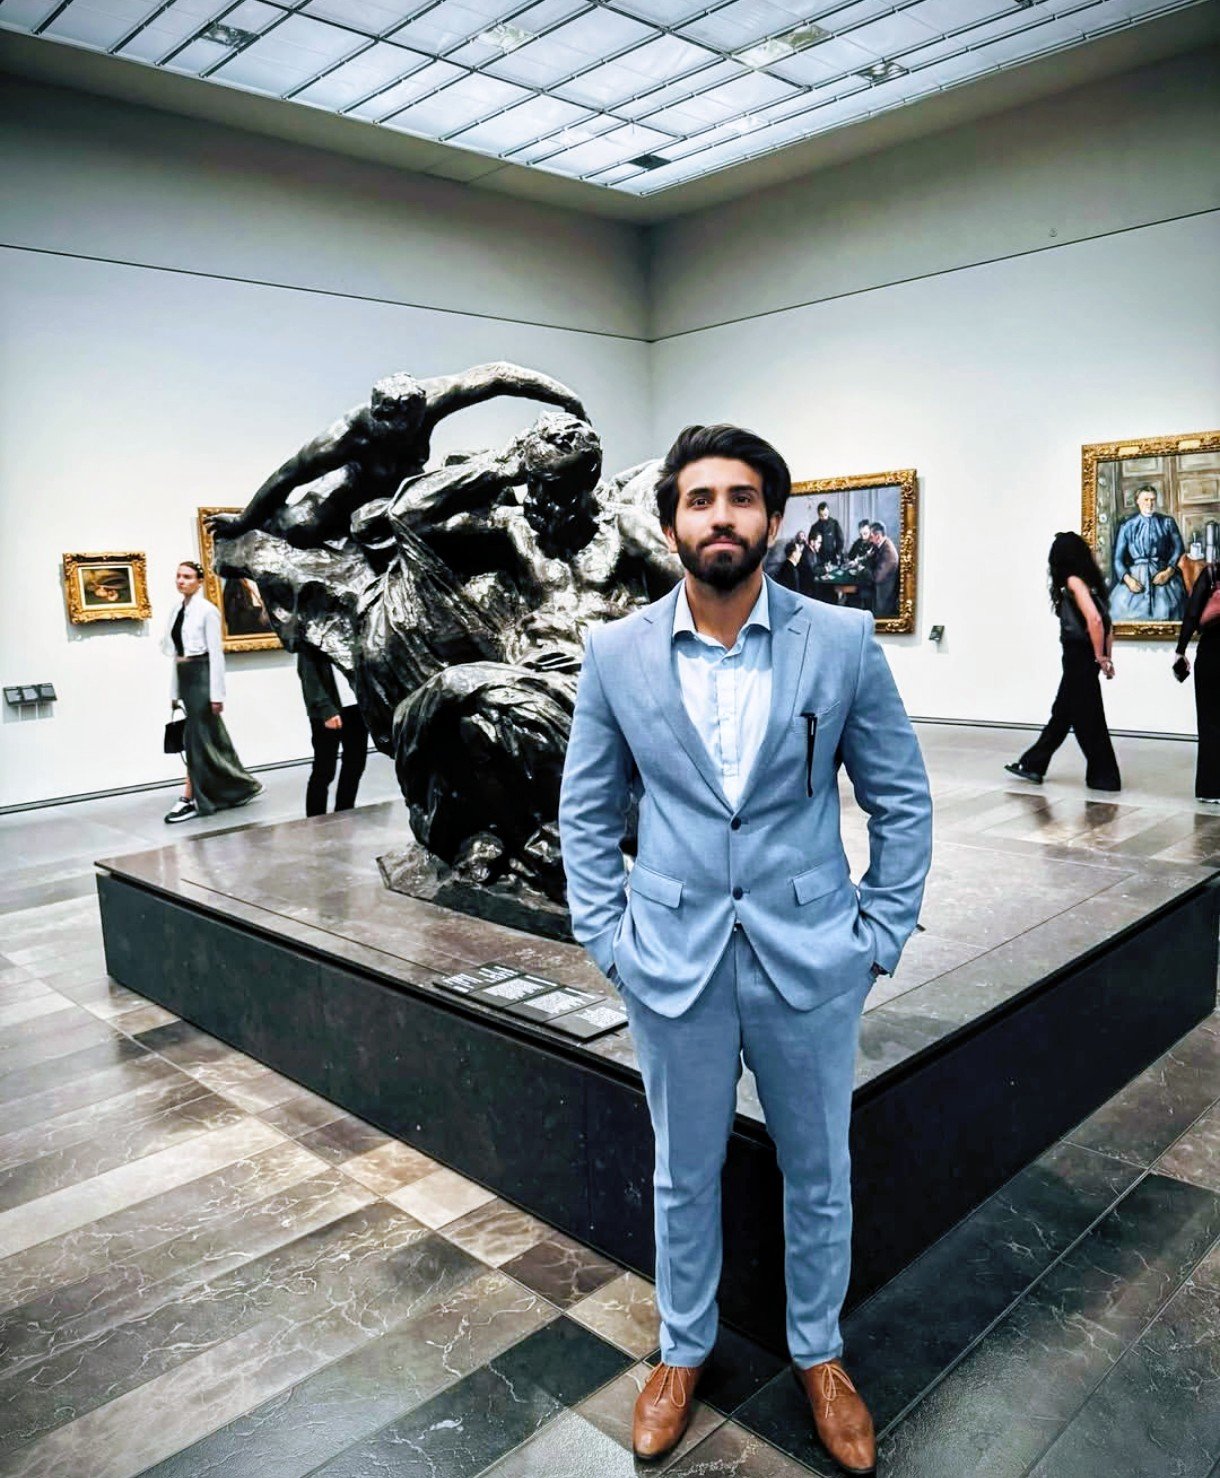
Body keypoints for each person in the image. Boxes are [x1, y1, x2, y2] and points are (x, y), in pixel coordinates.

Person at [559, 423, 932, 1473]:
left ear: (770, 517)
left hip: (809, 955)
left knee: (818, 1168)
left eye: (739, 497)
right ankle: (682, 1350)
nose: (719, 516)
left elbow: (901, 799)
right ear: (671, 521)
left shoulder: (840, 641)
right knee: (683, 1171)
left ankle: (819, 1353)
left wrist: (877, 934)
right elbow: (586, 812)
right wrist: (608, 939)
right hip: (669, 958)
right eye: (699, 499)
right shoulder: (616, 652)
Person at [1006, 532, 1121, 792]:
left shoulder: (1073, 581)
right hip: (1085, 657)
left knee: (1086, 717)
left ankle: (1105, 777)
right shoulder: (1091, 584)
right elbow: (1107, 624)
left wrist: (1100, 656)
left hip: (1078, 656)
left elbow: (1095, 620)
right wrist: (1105, 657)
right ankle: (1034, 764)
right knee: (1063, 713)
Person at [161, 561, 262, 823]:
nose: (181, 581)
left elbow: (216, 655)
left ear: (199, 581)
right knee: (209, 738)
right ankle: (240, 786)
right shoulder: (176, 611)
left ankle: (189, 797)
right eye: (178, 576)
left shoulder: (208, 611)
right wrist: (174, 692)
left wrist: (217, 695)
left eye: (187, 577)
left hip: (202, 677)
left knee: (195, 739)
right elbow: (176, 653)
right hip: (186, 677)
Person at [298, 646, 368, 816]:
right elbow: (309, 675)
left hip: (356, 706)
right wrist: (325, 709)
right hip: (328, 710)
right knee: (324, 768)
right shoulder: (311, 637)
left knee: (355, 762)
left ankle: (345, 810)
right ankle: (315, 818)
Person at [1174, 558, 1220, 802]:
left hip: (1212, 653)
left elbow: (1192, 613)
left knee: (1209, 721)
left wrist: (1180, 651)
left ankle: (1210, 789)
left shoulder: (1212, 573)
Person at [1108, 485, 1187, 622]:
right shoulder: (1127, 526)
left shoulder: (1167, 522)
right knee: (1120, 610)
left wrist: (1168, 573)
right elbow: (1117, 559)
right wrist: (1129, 581)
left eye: (1153, 500)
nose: (1150, 504)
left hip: (1161, 573)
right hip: (1135, 577)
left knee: (1171, 609)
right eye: (1146, 500)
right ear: (1137, 501)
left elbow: (1178, 549)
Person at [866, 521, 899, 617]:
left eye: (871, 537)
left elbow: (877, 578)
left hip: (883, 595)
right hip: (878, 589)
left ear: (878, 536)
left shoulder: (888, 552)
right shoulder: (881, 544)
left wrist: (863, 569)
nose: (870, 540)